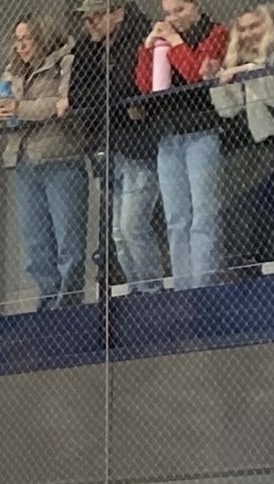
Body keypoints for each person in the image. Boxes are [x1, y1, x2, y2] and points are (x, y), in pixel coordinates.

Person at [0, 14, 93, 308]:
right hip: (23, 160)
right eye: (17, 40)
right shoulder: (12, 71)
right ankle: (47, 298)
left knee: (68, 237)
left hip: (59, 156)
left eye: (26, 39)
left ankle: (68, 301)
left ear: (42, 38)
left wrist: (18, 108)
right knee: (35, 239)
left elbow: (58, 103)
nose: (21, 46)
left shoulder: (64, 62)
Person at [141, 0, 232, 286]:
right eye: (168, 13)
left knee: (204, 213)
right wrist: (148, 48)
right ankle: (183, 285)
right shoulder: (166, 40)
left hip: (201, 130)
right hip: (168, 135)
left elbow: (195, 74)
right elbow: (145, 85)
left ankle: (203, 282)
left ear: (196, 6)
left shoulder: (215, 32)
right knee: (175, 218)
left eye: (179, 10)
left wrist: (175, 41)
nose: (173, 18)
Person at [82, 0, 167, 291]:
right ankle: (135, 288)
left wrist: (107, 98)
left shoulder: (138, 35)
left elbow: (127, 85)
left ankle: (151, 291)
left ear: (117, 13)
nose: (91, 23)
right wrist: (109, 99)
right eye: (88, 18)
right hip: (109, 145)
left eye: (96, 16)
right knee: (118, 232)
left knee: (133, 226)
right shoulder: (93, 46)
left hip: (137, 146)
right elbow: (80, 94)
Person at [211, 2, 274, 266]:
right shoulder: (239, 58)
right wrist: (217, 82)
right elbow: (228, 110)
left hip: (270, 139)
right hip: (255, 145)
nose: (249, 34)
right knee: (256, 212)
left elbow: (272, 95)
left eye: (255, 26)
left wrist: (246, 72)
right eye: (244, 29)